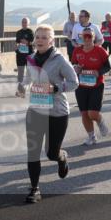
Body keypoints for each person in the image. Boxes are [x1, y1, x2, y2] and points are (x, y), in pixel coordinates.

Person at [20, 24, 78, 203]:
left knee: (51, 153)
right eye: (37, 37)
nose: (40, 40)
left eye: (44, 38)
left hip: (57, 113)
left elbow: (74, 82)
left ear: (52, 40)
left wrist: (55, 88)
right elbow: (27, 79)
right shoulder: (30, 59)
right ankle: (35, 189)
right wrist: (22, 87)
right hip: (35, 111)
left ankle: (62, 157)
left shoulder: (60, 60)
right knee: (33, 152)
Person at [72, 28, 111, 146]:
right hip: (81, 86)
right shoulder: (77, 51)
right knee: (84, 114)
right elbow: (73, 64)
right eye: (84, 36)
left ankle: (100, 121)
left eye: (89, 36)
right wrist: (76, 68)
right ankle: (91, 137)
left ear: (94, 38)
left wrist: (99, 72)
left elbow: (109, 66)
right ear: (80, 38)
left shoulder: (100, 51)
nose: (86, 39)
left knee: (92, 114)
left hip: (97, 85)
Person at [14, 17, 35, 98]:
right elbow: (17, 42)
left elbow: (32, 42)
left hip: (29, 55)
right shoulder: (18, 32)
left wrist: (27, 42)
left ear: (28, 23)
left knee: (29, 74)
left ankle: (30, 89)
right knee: (20, 73)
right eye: (23, 22)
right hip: (20, 55)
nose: (24, 23)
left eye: (25, 22)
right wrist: (16, 47)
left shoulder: (30, 32)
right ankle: (20, 91)